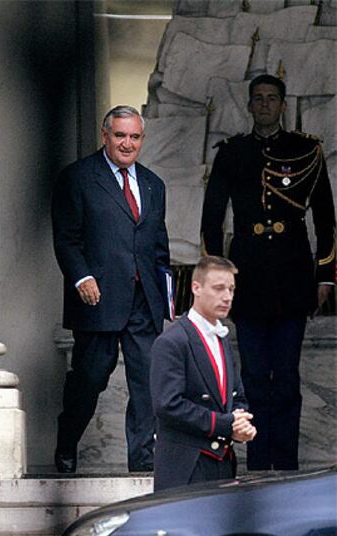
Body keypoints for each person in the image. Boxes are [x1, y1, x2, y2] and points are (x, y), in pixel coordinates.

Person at [201, 74, 336, 470]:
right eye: (258, 99)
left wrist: (324, 276)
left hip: (294, 281)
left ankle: (287, 467)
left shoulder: (306, 151)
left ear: (282, 105)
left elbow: (327, 220)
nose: (264, 105)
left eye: (271, 99)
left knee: (288, 380)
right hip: (249, 282)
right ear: (249, 105)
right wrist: (215, 282)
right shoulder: (232, 152)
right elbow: (211, 220)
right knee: (256, 379)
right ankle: (260, 467)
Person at [52, 105, 170, 473]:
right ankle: (67, 439)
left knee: (147, 383)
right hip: (98, 298)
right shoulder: (78, 177)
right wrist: (82, 278)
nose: (127, 143)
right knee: (90, 379)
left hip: (143, 301)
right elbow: (67, 239)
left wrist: (167, 298)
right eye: (120, 135)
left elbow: (158, 245)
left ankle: (142, 463)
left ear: (142, 139)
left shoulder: (153, 183)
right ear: (105, 136)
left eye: (134, 137)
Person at [151, 256, 256, 492]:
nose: (227, 296)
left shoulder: (221, 339)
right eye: (219, 288)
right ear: (196, 288)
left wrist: (241, 424)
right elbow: (168, 405)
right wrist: (225, 424)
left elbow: (236, 397)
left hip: (222, 463)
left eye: (231, 289)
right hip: (186, 467)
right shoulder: (172, 341)